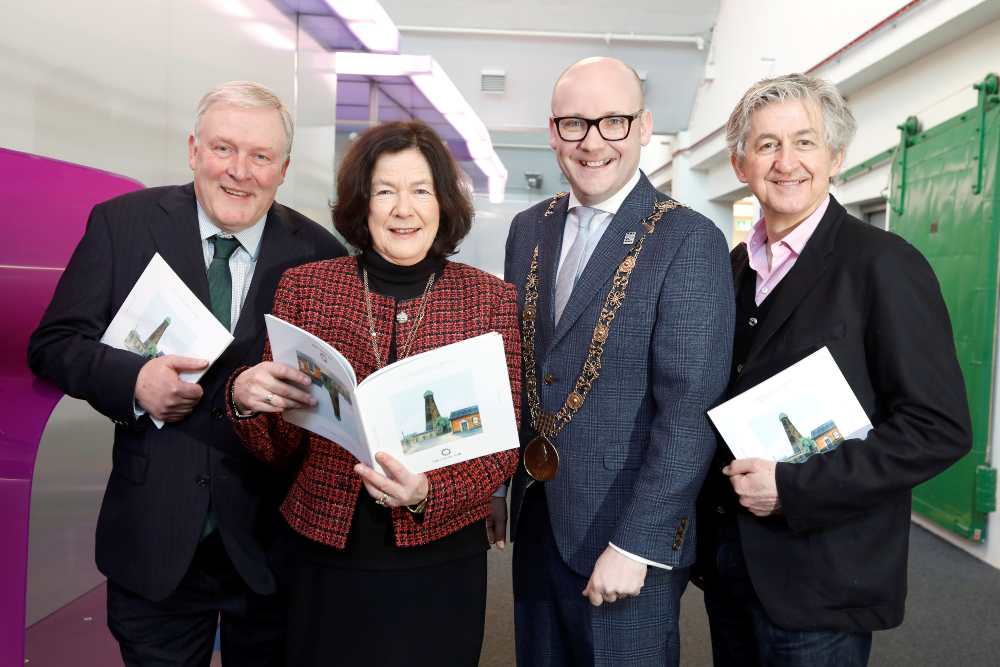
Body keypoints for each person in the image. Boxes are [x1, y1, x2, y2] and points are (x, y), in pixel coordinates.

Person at [27, 81, 346, 665]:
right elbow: (53, 345)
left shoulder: (321, 257)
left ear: (284, 169)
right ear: (193, 149)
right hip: (154, 538)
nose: (240, 172)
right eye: (224, 149)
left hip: (272, 547)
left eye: (261, 156)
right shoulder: (121, 226)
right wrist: (134, 382)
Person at [695, 73, 973, 666]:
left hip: (823, 580)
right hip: (733, 567)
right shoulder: (735, 268)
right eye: (767, 144)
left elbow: (937, 428)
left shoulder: (885, 266)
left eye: (805, 142)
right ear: (741, 163)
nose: (785, 162)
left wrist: (794, 488)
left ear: (836, 157)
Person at [227, 120, 521, 666]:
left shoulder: (491, 301)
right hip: (321, 554)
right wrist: (248, 400)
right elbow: (277, 449)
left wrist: (429, 492)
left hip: (440, 558)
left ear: (444, 203)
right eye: (386, 190)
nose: (402, 209)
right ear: (363, 203)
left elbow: (502, 446)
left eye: (421, 190)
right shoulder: (307, 288)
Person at [502, 56, 734, 666]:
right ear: (553, 132)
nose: (593, 142)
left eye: (613, 122)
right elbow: (529, 372)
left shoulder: (688, 239)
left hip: (626, 543)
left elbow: (690, 409)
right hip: (539, 522)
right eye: (575, 124)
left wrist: (637, 543)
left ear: (643, 127)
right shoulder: (529, 228)